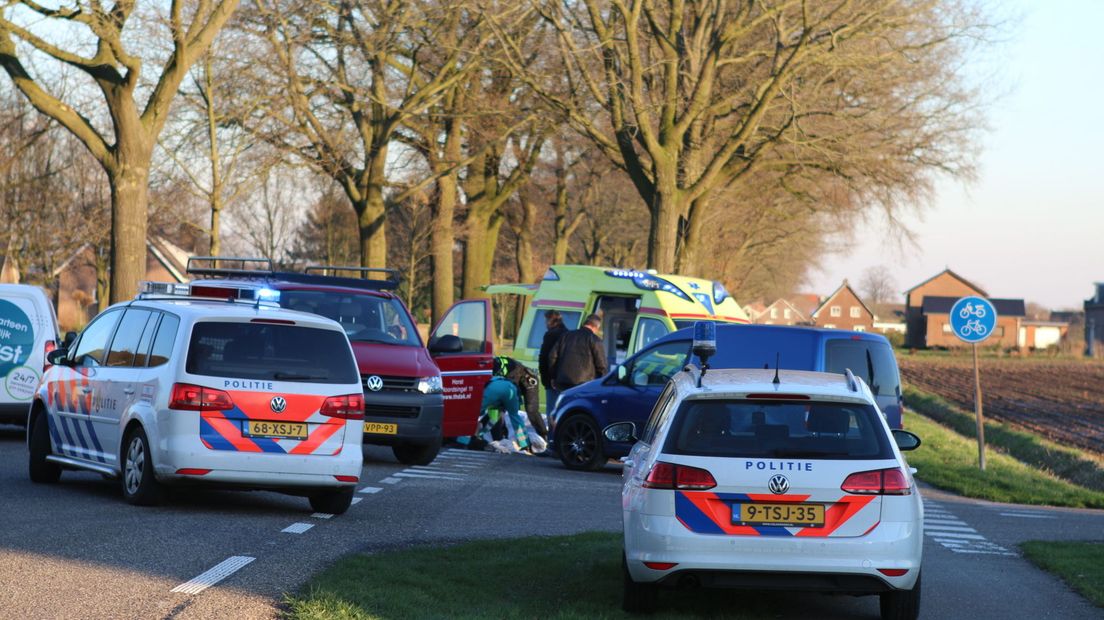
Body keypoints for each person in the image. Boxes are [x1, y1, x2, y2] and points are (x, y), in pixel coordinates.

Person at [549, 313, 608, 392]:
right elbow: (601, 365)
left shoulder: (565, 336)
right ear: (597, 327)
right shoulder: (594, 340)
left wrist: (553, 376)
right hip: (585, 385)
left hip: (563, 383)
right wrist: (600, 384)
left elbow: (552, 357)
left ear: (585, 323)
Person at [538, 310, 567, 415]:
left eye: (546, 320)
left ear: (550, 321)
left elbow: (545, 357)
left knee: (552, 411)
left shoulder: (550, 335)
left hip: (552, 379)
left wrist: (546, 378)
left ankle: (551, 432)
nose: (545, 323)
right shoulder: (567, 333)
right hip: (566, 378)